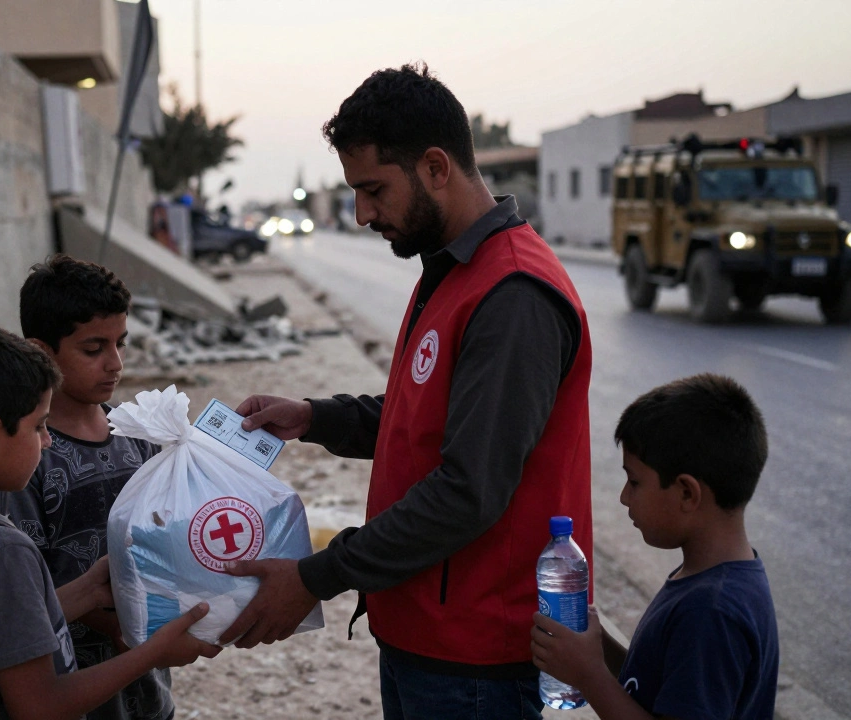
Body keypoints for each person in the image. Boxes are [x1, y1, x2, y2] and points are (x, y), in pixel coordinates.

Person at [219, 63, 594, 719]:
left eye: (374, 190)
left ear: (436, 168)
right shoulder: (452, 272)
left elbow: (468, 489)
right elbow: (427, 418)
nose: (362, 214)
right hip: (426, 636)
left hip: (476, 660)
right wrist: (314, 417)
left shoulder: (512, 296)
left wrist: (315, 578)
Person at [0, 321, 219, 720]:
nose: (48, 441)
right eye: (38, 426)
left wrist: (89, 591)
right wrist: (153, 653)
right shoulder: (0, 552)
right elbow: (40, 706)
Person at [531, 374, 779, 720]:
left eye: (634, 482)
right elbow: (653, 682)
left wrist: (589, 675)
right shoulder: (708, 577)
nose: (624, 496)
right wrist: (597, 645)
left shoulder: (712, 611)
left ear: (687, 493)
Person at [0, 255, 173, 720]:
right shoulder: (28, 458)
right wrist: (125, 626)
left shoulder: (138, 437)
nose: (114, 363)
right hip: (65, 694)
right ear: (40, 351)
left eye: (121, 344)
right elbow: (26, 587)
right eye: (93, 349)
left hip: (149, 693)